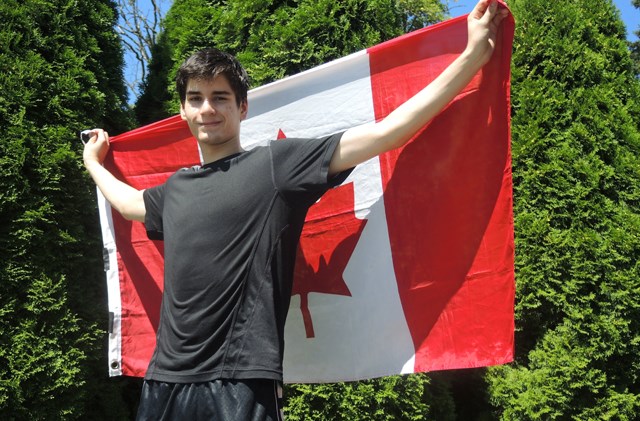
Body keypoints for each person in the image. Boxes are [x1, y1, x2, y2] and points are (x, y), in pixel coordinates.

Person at [82, 1, 508, 419]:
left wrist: (472, 56)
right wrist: (92, 164)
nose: (207, 109)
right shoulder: (173, 189)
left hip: (240, 384)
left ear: (242, 107)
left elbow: (387, 132)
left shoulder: (275, 167)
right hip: (165, 383)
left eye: (220, 97)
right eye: (195, 98)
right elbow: (127, 203)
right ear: (183, 110)